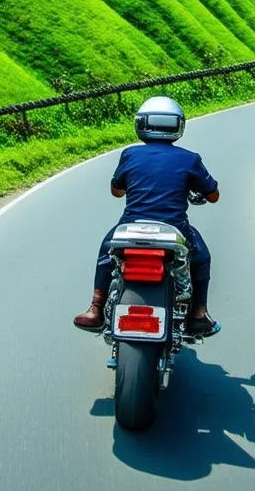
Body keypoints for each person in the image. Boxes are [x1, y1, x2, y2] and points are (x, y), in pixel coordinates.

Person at [73, 95, 221, 337]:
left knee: (105, 250)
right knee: (202, 257)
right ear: (178, 126)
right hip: (175, 229)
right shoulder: (189, 158)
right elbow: (213, 195)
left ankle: (96, 308)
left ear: (141, 125)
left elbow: (116, 191)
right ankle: (198, 313)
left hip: (131, 227)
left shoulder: (130, 154)